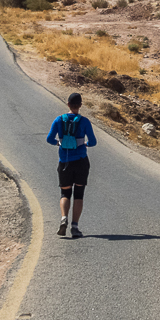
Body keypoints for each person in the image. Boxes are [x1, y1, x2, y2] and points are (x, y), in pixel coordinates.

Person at [45, 92, 97, 238]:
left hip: (64, 162)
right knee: (79, 194)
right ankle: (75, 226)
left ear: (67, 104)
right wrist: (84, 144)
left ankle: (63, 219)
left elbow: (49, 139)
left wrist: (59, 143)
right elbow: (93, 142)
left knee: (65, 193)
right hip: (81, 161)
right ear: (80, 105)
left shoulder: (58, 120)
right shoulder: (84, 121)